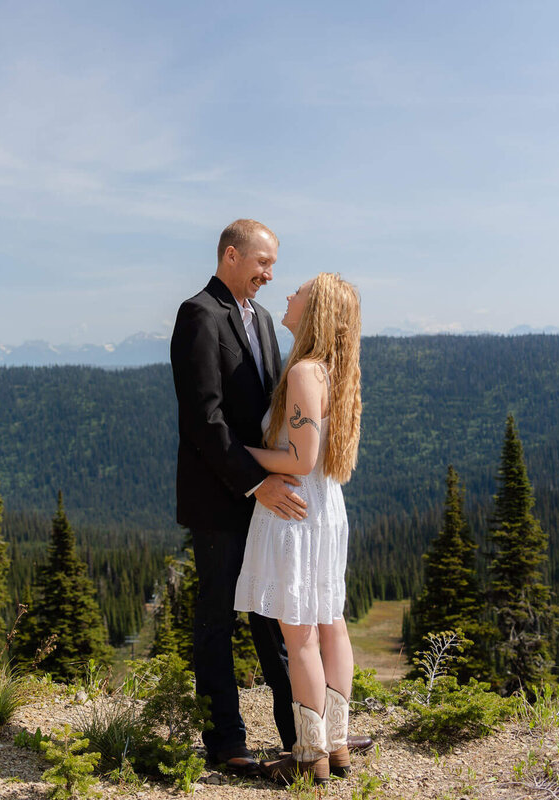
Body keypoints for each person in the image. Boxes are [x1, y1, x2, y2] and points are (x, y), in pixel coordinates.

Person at [170, 219, 305, 773]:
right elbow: (204, 419)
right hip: (222, 496)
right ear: (231, 254)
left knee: (274, 614)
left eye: (273, 266)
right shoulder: (199, 314)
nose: (270, 275)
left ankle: (300, 735)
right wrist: (256, 482)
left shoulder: (266, 319)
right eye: (263, 263)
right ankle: (226, 743)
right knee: (218, 619)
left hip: (265, 495)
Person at [232, 272, 363, 784]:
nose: (288, 295)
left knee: (301, 630)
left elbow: (300, 458)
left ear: (316, 311)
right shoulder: (336, 371)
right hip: (325, 508)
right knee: (331, 622)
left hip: (297, 509)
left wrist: (239, 456)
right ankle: (337, 744)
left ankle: (310, 756)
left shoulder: (306, 371)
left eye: (300, 293)